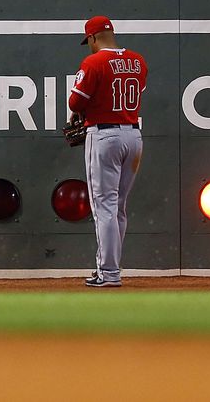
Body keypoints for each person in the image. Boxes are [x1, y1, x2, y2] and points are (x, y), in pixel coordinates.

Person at [68, 15, 146, 288]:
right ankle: (112, 269)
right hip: (133, 136)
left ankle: (109, 273)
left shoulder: (94, 62)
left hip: (105, 136)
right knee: (118, 207)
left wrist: (81, 112)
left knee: (104, 207)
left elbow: (76, 100)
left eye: (87, 41)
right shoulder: (138, 61)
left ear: (92, 37)